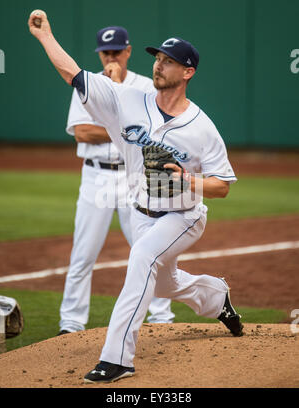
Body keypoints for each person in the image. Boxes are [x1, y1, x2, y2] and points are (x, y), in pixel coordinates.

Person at [28, 12, 244, 384]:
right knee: (165, 282)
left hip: (184, 215)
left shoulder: (202, 127)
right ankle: (216, 297)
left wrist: (187, 179)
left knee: (141, 258)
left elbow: (223, 185)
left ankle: (118, 359)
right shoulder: (127, 100)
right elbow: (74, 75)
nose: (159, 64)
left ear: (188, 72)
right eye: (157, 58)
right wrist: (45, 36)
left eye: (169, 61)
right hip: (142, 212)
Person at [58, 26, 175, 335]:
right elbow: (81, 132)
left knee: (149, 250)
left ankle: (162, 318)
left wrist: (113, 122)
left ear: (128, 51)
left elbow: (155, 133)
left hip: (133, 177)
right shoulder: (87, 84)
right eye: (105, 52)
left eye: (116, 51)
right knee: (83, 254)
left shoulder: (147, 86)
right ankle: (70, 324)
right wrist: (126, 128)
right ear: (99, 53)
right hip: (96, 176)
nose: (111, 57)